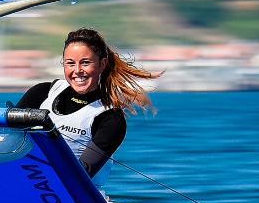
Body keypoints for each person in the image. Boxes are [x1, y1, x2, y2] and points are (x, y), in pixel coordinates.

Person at [16, 28, 159, 185]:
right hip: (26, 184)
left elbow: (81, 174)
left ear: (102, 64)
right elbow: (7, 137)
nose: (77, 71)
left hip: (74, 199)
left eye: (85, 63)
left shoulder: (109, 118)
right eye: (70, 63)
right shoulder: (42, 93)